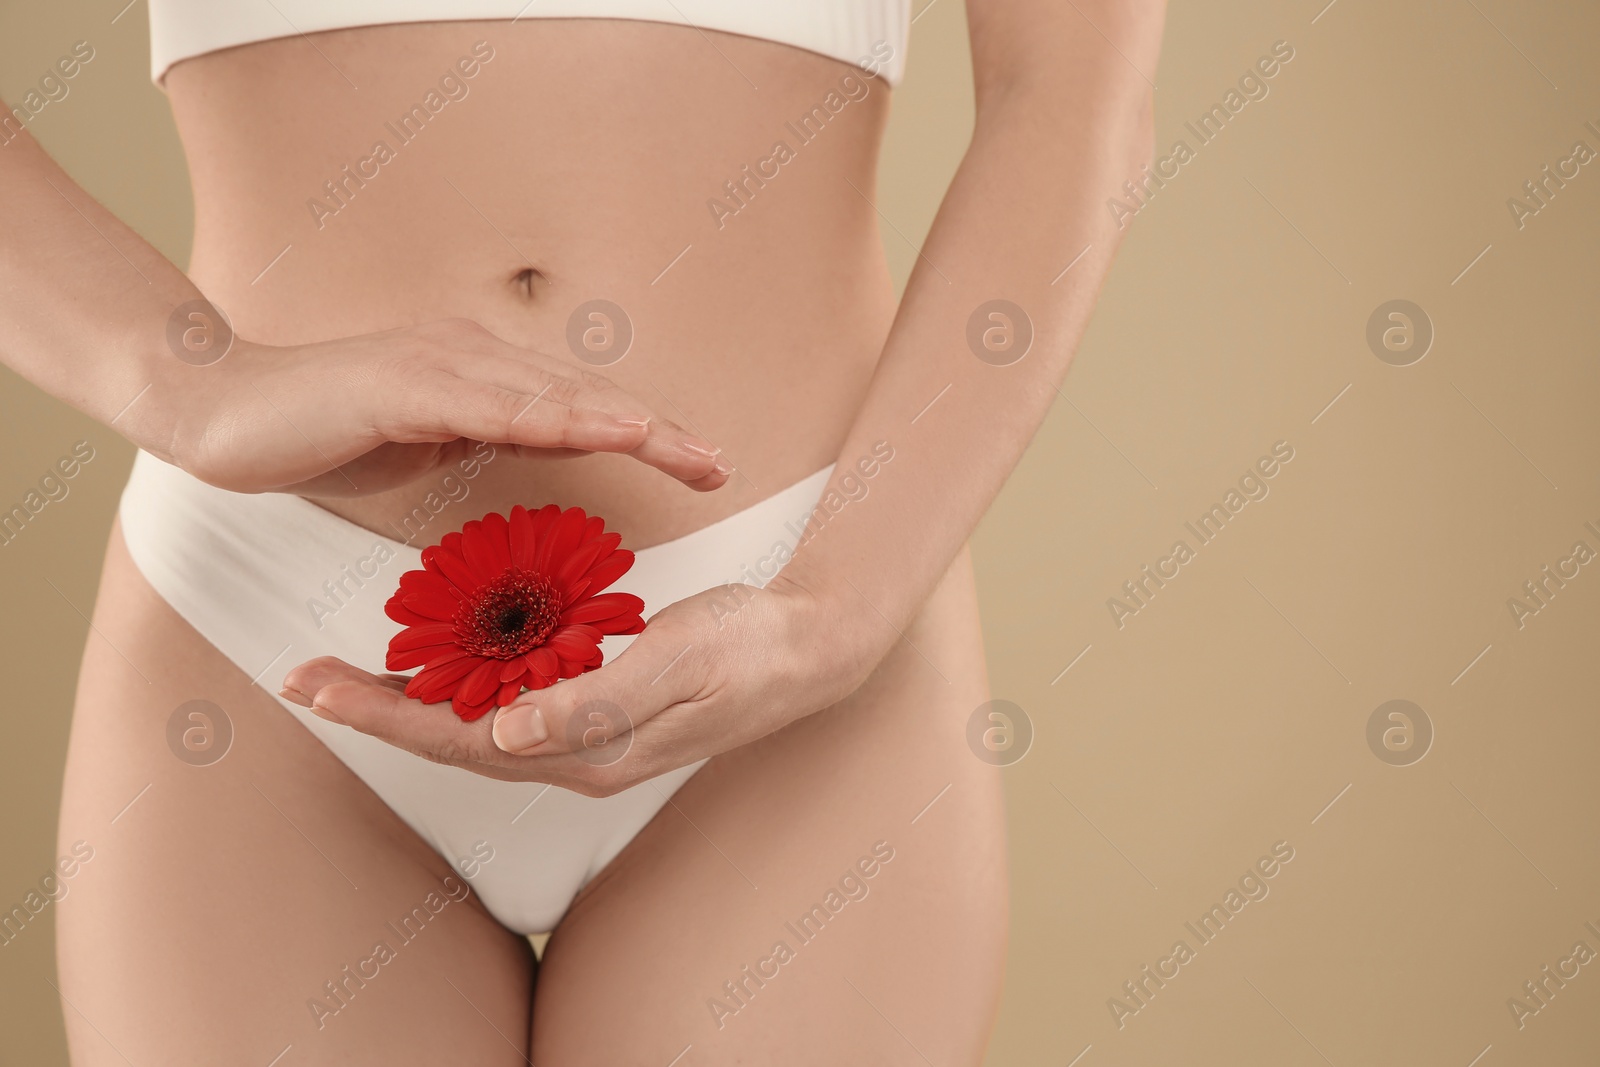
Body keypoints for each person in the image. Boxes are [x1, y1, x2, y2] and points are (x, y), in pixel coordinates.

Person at [1, 1, 1162, 1062]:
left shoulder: (821, 610)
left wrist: (838, 607)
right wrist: (186, 385)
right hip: (261, 612)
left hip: (796, 604)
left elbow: (1066, 88)